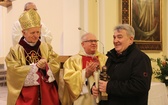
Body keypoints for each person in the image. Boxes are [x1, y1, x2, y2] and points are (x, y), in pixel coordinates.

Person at [5, 9, 60, 105]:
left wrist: (46, 66)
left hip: (46, 93)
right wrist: (35, 67)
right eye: (32, 33)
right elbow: (13, 71)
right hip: (27, 95)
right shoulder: (15, 51)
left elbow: (55, 63)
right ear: (23, 32)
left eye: (38, 32)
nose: (36, 36)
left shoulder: (46, 47)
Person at [92, 24, 152, 105]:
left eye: (119, 37)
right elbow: (104, 77)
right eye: (114, 37)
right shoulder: (111, 57)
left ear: (131, 39)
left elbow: (140, 86)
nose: (115, 41)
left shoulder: (140, 58)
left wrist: (109, 87)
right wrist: (95, 87)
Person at [61, 33, 107, 105]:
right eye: (91, 41)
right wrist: (85, 73)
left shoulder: (104, 58)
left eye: (95, 41)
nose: (94, 43)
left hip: (101, 96)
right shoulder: (73, 60)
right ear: (83, 44)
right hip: (83, 97)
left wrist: (99, 70)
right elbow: (68, 78)